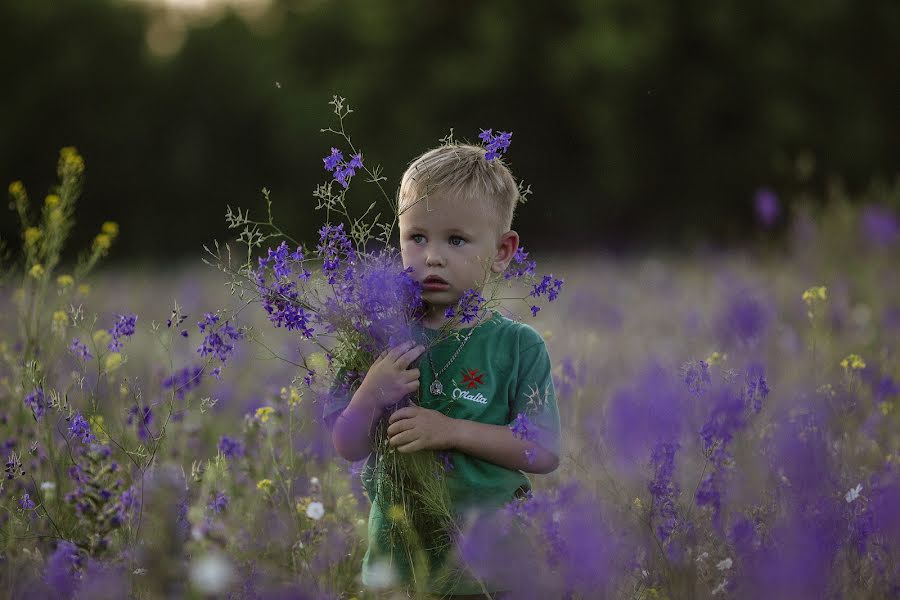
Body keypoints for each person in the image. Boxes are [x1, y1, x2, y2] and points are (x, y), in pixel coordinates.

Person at [325, 143, 561, 599]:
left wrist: (449, 430)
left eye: (455, 240)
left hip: (490, 568)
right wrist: (368, 394)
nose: (432, 256)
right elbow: (345, 445)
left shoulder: (517, 346)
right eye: (417, 237)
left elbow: (543, 451)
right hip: (398, 562)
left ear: (502, 250)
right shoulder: (375, 337)